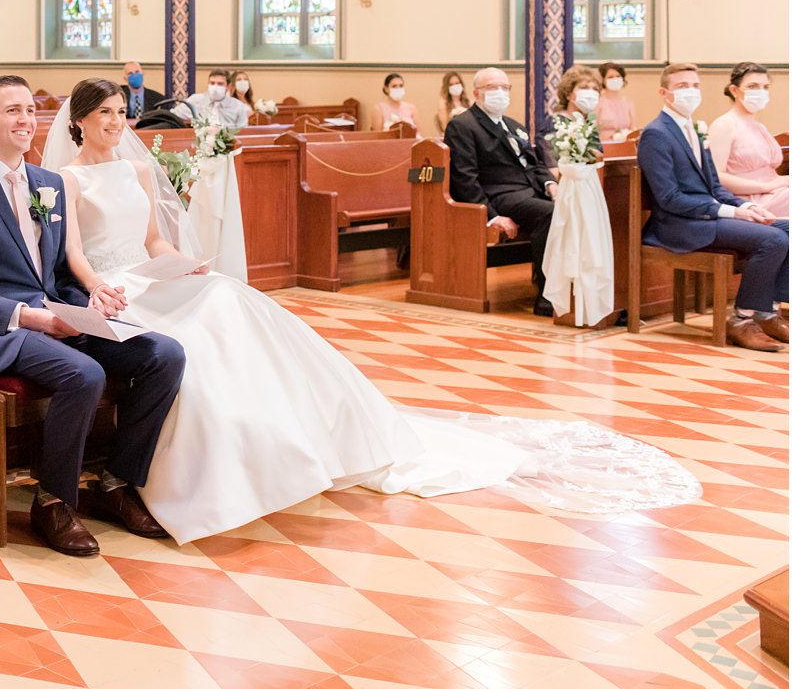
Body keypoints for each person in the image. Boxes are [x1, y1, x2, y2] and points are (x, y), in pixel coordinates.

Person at [37, 76, 699, 544]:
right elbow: (75, 253)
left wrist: (185, 260)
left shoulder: (141, 170)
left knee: (227, 300)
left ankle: (292, 437)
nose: (118, 125)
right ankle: (176, 471)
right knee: (192, 340)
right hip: (112, 286)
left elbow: (154, 240)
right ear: (79, 123)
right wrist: (99, 287)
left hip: (150, 273)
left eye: (123, 114)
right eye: (106, 118)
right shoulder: (65, 177)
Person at [0, 75, 185, 556]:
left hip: (59, 315)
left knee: (163, 354)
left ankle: (115, 483)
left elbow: (61, 269)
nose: (26, 120)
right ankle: (53, 500)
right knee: (84, 374)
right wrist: (33, 317)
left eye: (29, 109)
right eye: (12, 111)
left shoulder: (48, 183)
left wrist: (90, 301)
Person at [639, 63, 789, 352]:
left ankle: (768, 311)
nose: (691, 92)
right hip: (680, 224)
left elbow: (716, 187)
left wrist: (745, 205)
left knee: (787, 228)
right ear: (664, 93)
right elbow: (668, 197)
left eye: (695, 86)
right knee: (773, 239)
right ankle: (742, 319)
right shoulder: (656, 133)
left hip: (707, 215)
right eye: (683, 86)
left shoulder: (696, 128)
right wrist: (731, 211)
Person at [444, 67, 558, 316]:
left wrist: (551, 185)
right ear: (476, 93)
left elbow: (535, 164)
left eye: (504, 88)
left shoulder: (513, 125)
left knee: (573, 207)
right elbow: (465, 178)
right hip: (501, 196)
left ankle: (571, 288)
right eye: (492, 88)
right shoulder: (463, 126)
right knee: (551, 214)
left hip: (529, 192)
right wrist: (492, 216)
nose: (500, 93)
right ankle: (546, 296)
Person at [709, 62, 788, 217]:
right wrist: (766, 186)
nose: (760, 92)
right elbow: (717, 177)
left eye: (765, 87)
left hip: (776, 192)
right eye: (753, 86)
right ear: (734, 90)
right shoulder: (724, 125)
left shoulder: (759, 127)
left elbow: (772, 173)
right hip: (752, 200)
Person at [538, 65, 604, 167]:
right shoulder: (554, 124)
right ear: (568, 93)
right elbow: (551, 164)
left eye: (595, 89)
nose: (591, 92)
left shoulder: (589, 126)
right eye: (584, 87)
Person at [184, 68, 250, 128]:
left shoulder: (238, 107)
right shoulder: (195, 100)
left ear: (228, 87)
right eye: (212, 83)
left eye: (220, 84)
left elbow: (244, 133)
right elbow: (175, 116)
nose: (215, 87)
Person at [597, 61, 637, 140]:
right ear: (603, 80)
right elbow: (594, 130)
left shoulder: (628, 103)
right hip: (604, 147)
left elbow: (632, 128)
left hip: (625, 146)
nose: (615, 79)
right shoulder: (598, 103)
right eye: (610, 77)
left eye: (618, 76)